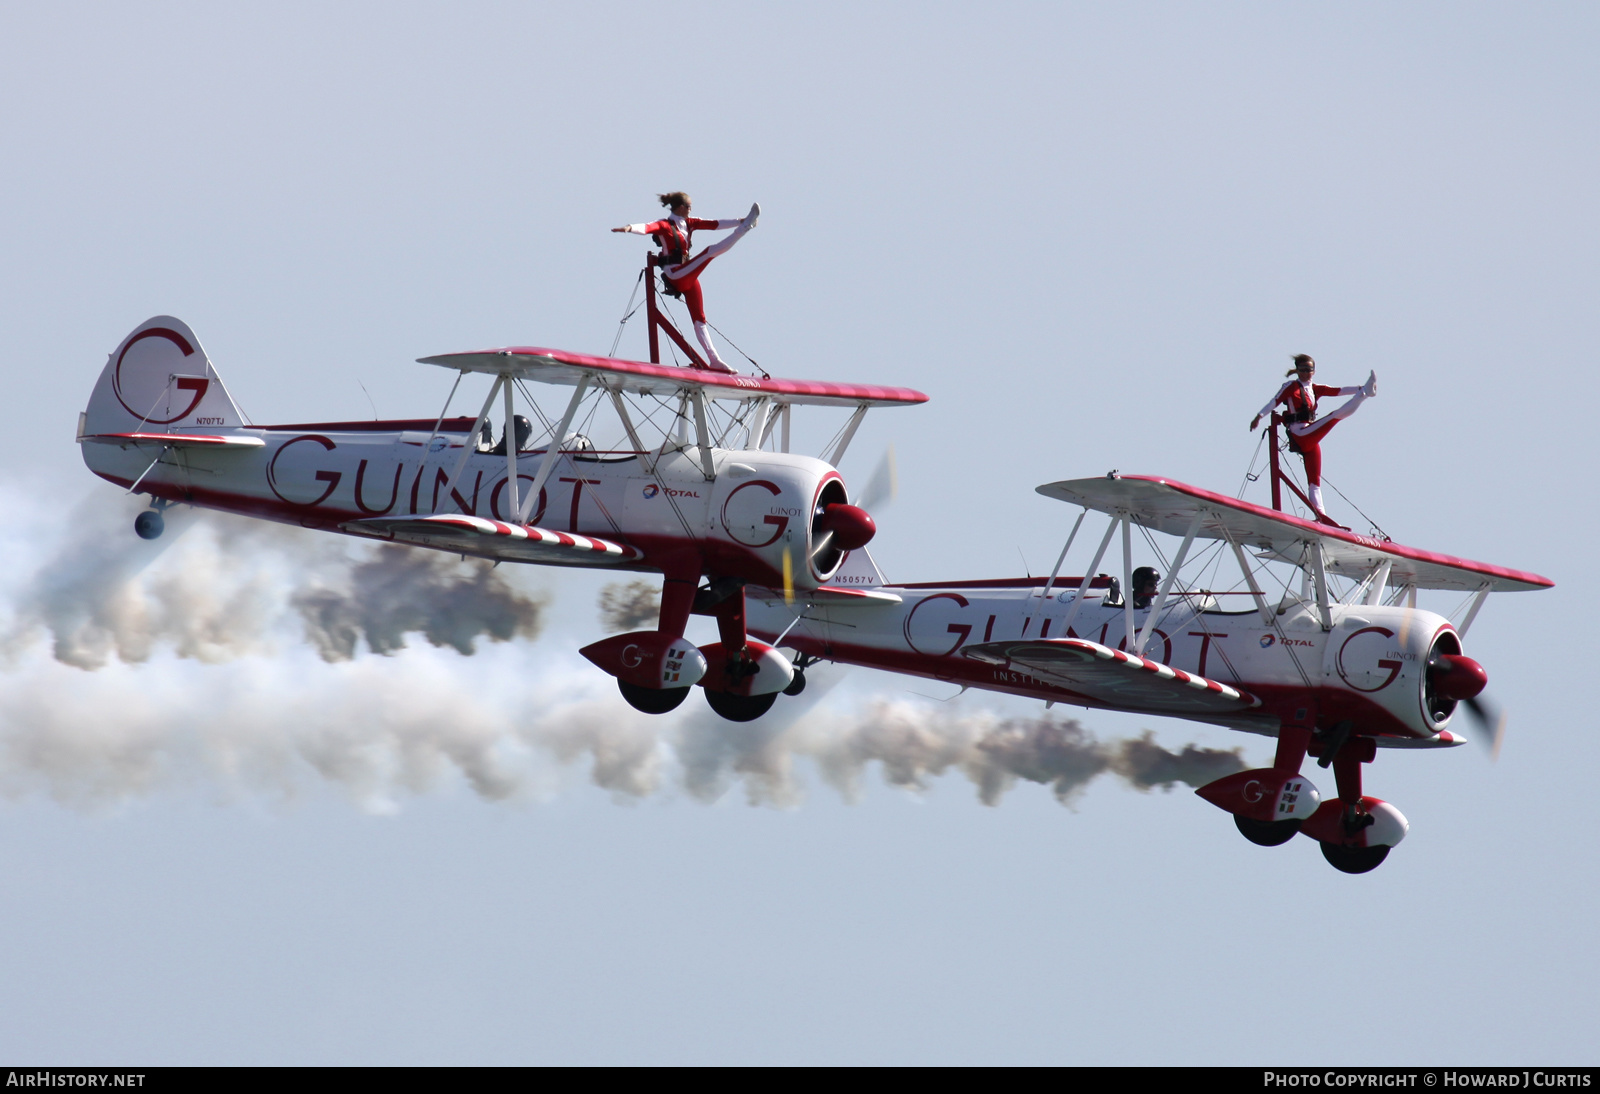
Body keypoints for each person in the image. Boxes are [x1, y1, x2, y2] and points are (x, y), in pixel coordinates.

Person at [613, 192, 760, 373]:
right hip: (675, 274)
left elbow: (715, 224)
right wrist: (628, 228)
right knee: (709, 252)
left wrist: (740, 219)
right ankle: (743, 230)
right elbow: (647, 227)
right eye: (689, 207)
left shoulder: (690, 223)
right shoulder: (665, 225)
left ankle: (714, 360)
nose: (691, 210)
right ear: (681, 208)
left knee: (700, 319)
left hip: (688, 275)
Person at [1250, 354, 1377, 524]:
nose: (1305, 373)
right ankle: (1364, 394)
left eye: (1308, 370)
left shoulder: (1315, 388)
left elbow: (1337, 390)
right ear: (1297, 371)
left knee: (1314, 480)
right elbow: (1274, 401)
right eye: (1302, 370)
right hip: (1300, 433)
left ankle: (1320, 515)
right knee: (1335, 416)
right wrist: (1259, 416)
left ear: (1313, 371)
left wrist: (1359, 387)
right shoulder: (1290, 386)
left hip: (1310, 435)